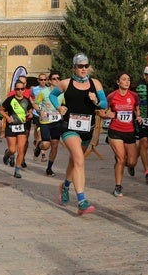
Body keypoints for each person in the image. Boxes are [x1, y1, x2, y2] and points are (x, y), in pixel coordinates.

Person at [49, 53, 107, 215]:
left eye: (86, 66)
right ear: (74, 67)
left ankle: (65, 186)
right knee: (79, 160)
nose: (84, 69)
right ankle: (81, 200)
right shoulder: (65, 83)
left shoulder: (95, 84)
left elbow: (104, 104)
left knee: (74, 161)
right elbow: (52, 95)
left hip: (87, 129)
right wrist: (59, 107)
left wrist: (96, 100)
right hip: (69, 127)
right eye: (80, 66)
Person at [99, 72, 140, 197]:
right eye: (124, 79)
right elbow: (101, 112)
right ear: (118, 82)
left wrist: (138, 116)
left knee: (132, 161)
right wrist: (106, 114)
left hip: (130, 131)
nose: (127, 82)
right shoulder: (111, 96)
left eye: (128, 79)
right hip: (115, 131)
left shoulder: (134, 96)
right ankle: (118, 186)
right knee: (121, 158)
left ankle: (126, 165)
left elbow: (137, 109)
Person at [0, 80, 33, 178]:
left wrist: (30, 114)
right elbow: (1, 110)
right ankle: (7, 153)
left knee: (21, 149)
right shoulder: (10, 100)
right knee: (12, 149)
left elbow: (30, 110)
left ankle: (17, 169)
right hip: (11, 127)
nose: (20, 91)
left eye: (22, 89)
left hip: (22, 126)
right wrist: (7, 118)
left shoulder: (26, 100)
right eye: (17, 89)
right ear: (15, 90)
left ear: (24, 90)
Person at [33, 71, 63, 176]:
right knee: (46, 145)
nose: (57, 80)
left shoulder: (62, 93)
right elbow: (36, 104)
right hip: (45, 121)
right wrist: (40, 111)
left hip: (57, 122)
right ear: (49, 81)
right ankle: (39, 147)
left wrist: (64, 109)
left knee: (54, 145)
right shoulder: (44, 92)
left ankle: (49, 168)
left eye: (58, 78)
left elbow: (65, 105)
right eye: (54, 78)